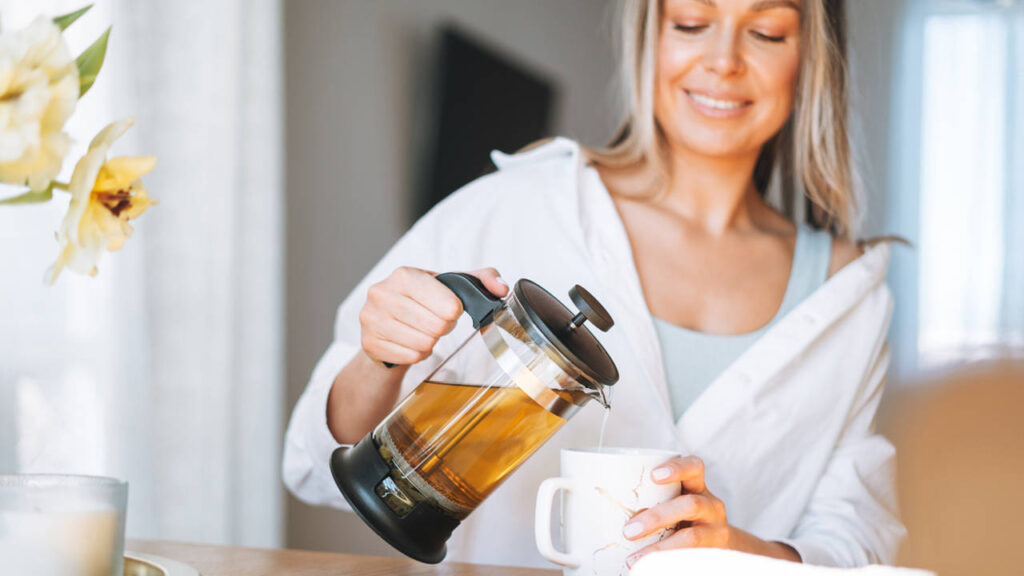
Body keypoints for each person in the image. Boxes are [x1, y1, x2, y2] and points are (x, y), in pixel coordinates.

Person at [283, 0, 905, 568]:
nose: (723, 62)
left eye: (767, 32)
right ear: (650, 35)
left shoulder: (847, 295)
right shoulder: (515, 204)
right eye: (691, 22)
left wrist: (734, 549)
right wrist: (380, 358)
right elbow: (312, 468)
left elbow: (859, 539)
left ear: (809, 57)